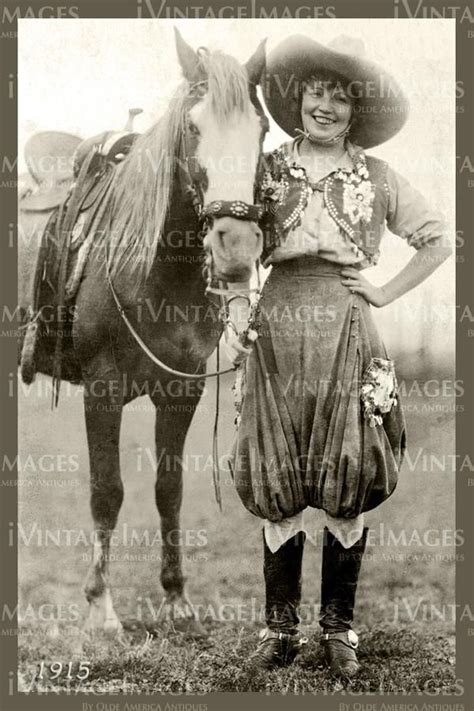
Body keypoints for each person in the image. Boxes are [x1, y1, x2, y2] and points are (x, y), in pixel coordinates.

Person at [225, 34, 452, 677]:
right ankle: (280, 632)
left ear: (357, 110)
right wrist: (239, 309)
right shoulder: (264, 169)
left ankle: (339, 629)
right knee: (278, 476)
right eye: (315, 92)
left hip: (347, 327)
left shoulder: (376, 176)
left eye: (341, 97)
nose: (325, 106)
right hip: (276, 329)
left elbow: (439, 239)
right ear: (296, 98)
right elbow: (231, 246)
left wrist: (382, 291)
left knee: (346, 475)